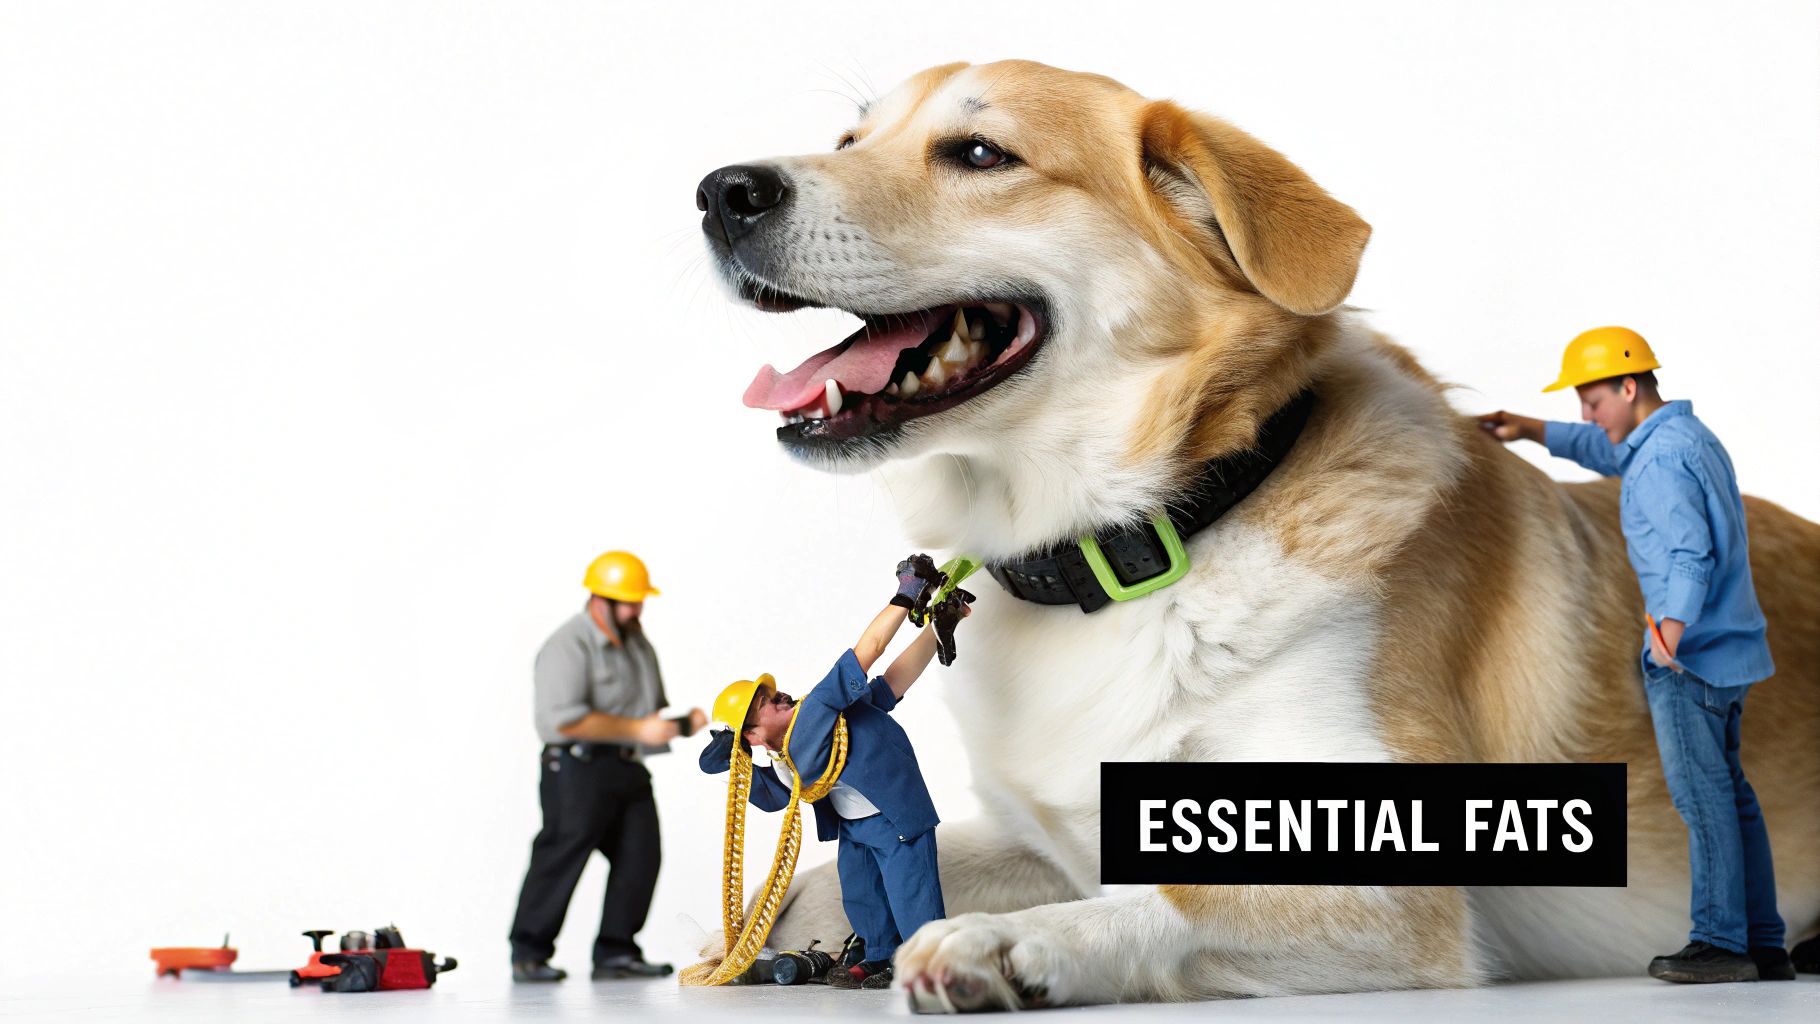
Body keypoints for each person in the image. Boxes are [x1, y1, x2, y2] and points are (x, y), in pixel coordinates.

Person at [1480, 326, 1789, 984]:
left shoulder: (1661, 464)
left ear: (1629, 386)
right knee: (1735, 801)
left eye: (1592, 401)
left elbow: (1688, 554)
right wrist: (1532, 429)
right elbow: (1604, 448)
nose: (1588, 416)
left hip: (1692, 661)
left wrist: (1669, 632)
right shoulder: (1684, 440)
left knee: (1704, 803)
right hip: (1732, 655)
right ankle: (1764, 942)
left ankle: (1720, 942)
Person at [699, 556, 963, 990]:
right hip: (854, 826)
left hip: (894, 815)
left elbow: (873, 652)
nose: (777, 694)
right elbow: (889, 687)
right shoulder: (780, 759)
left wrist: (908, 595)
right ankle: (880, 957)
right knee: (862, 895)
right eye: (764, 702)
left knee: (911, 895)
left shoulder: (816, 711)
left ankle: (928, 961)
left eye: (768, 693)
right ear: (753, 735)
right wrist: (732, 759)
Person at [509, 551, 707, 983]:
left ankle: (616, 952)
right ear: (599, 600)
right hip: (576, 768)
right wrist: (640, 728)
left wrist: (677, 725)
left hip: (627, 767)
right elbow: (562, 720)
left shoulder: (636, 641)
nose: (636, 609)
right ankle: (528, 952)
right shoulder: (568, 645)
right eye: (627, 601)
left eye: (639, 601)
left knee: (641, 855)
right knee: (562, 852)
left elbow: (647, 712)